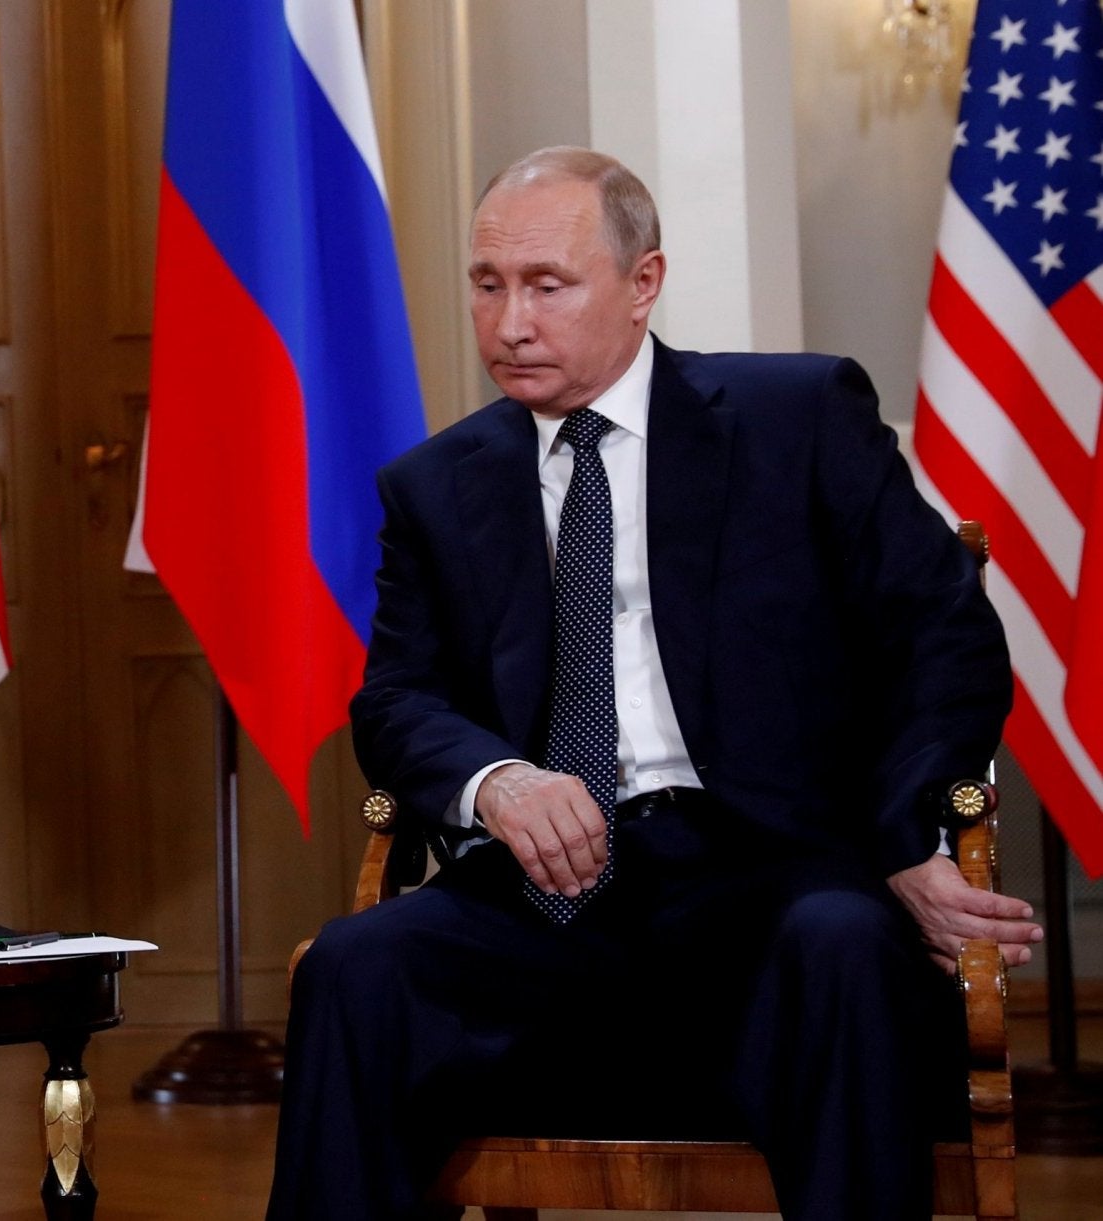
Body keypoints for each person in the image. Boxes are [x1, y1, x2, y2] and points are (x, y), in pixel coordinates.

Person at [266, 147, 1037, 1220]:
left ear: (643, 284)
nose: (510, 322)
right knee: (355, 965)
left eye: (548, 285)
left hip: (770, 881)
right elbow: (396, 699)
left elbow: (947, 639)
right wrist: (497, 781)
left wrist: (904, 837)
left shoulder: (796, 416)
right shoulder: (435, 485)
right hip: (546, 894)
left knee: (843, 945)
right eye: (488, 285)